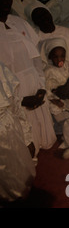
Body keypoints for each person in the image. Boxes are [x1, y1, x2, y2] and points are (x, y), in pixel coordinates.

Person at [0, 0, 56, 156]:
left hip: (33, 83)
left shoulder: (20, 23)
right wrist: (20, 101)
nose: (5, 2)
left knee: (44, 142)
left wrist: (41, 86)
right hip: (11, 93)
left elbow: (35, 59)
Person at [42, 38, 69, 159]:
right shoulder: (48, 71)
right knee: (62, 118)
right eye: (55, 57)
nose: (59, 60)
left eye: (62, 56)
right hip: (56, 98)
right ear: (50, 57)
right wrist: (55, 100)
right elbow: (47, 90)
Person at [0, 62, 36, 204]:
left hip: (7, 133)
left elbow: (15, 105)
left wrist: (27, 137)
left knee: (17, 181)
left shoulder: (1, 70)